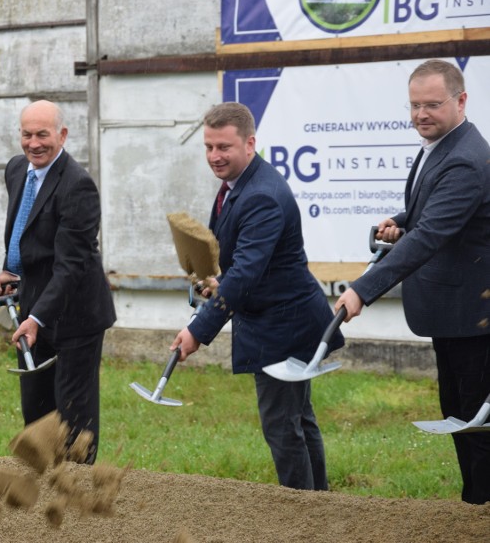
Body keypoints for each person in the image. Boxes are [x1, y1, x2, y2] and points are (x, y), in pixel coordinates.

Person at [334, 59, 490, 505]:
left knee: (476, 424)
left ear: (460, 101)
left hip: (475, 321)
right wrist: (401, 222)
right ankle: (474, 506)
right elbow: (432, 218)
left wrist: (363, 289)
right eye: (415, 105)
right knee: (459, 414)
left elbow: (430, 238)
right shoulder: (443, 147)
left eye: (432, 105)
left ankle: (479, 512)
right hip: (456, 318)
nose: (421, 114)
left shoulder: (464, 158)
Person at [170, 102, 343, 490]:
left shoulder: (261, 195)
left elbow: (246, 274)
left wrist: (198, 330)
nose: (215, 156)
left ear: (250, 143)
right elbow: (246, 265)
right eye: (208, 147)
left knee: (283, 427)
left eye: (224, 147)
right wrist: (220, 281)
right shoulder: (239, 184)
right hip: (283, 318)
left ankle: (301, 513)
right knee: (298, 420)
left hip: (283, 326)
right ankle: (320, 506)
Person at [0, 100, 116, 464]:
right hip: (34, 310)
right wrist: (9, 270)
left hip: (77, 316)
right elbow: (25, 233)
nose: (34, 143)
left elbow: (71, 265)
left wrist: (37, 317)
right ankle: (43, 487)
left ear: (62, 135)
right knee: (37, 412)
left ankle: (78, 496)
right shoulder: (17, 170)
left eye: (42, 135)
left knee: (74, 415)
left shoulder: (78, 186)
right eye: (27, 134)